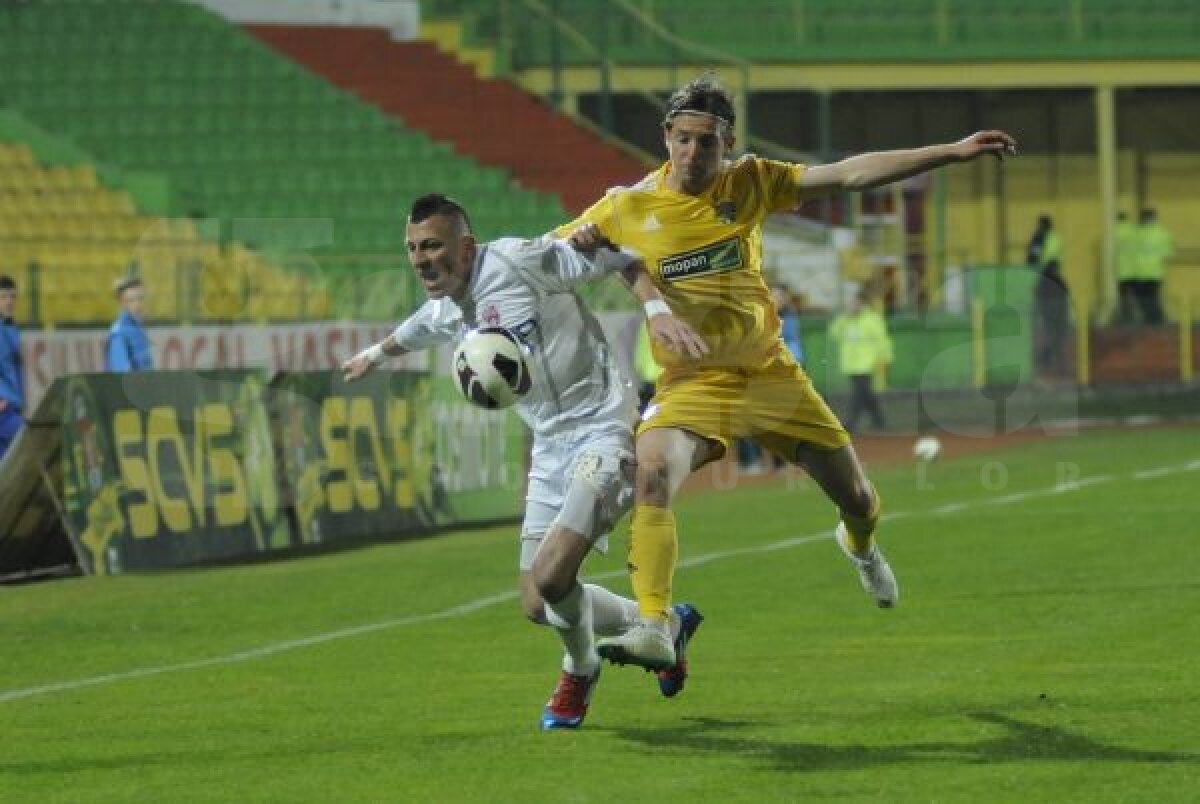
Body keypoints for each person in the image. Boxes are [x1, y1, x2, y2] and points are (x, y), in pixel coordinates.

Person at [564, 75, 1017, 671]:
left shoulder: (751, 182)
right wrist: (585, 243)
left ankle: (859, 546)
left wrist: (951, 151)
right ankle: (654, 621)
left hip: (771, 374)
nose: (693, 154)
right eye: (682, 140)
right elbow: (550, 254)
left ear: (729, 144)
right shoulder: (627, 206)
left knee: (856, 498)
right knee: (651, 473)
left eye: (707, 142)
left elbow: (850, 172)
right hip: (695, 383)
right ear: (666, 138)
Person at [341, 194, 709, 730]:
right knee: (538, 602)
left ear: (466, 247)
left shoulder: (520, 260)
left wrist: (652, 306)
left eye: (433, 246)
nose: (421, 259)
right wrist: (373, 355)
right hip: (549, 447)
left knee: (553, 573)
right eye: (413, 248)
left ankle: (579, 667)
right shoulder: (452, 305)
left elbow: (622, 254)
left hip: (605, 427)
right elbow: (420, 326)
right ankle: (663, 624)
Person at [830, 292, 892, 432]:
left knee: (858, 394)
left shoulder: (872, 319)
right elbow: (834, 333)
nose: (853, 306)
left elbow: (882, 341)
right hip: (851, 364)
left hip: (868, 363)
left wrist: (885, 359)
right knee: (866, 393)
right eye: (851, 303)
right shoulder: (846, 320)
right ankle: (879, 420)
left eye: (856, 303)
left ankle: (851, 422)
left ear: (863, 304)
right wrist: (844, 317)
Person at [1026, 214, 1070, 377]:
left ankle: (1048, 359)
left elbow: (1031, 259)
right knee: (1059, 327)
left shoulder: (1040, 238)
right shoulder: (1056, 239)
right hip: (1057, 284)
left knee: (1047, 325)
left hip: (1045, 284)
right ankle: (1059, 362)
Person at [1133, 208, 1173, 325]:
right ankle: (1157, 321)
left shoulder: (1136, 234)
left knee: (1142, 300)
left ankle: (1148, 321)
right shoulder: (1164, 233)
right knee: (1154, 298)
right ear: (1155, 218)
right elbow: (1168, 253)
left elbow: (1132, 252)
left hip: (1139, 272)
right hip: (1156, 271)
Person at [106, 276, 153, 372]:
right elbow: (121, 373)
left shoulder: (137, 329)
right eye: (131, 300)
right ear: (123, 304)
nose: (137, 305)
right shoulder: (119, 333)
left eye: (141, 299)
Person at [0, 275, 24, 461]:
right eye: (3, 297)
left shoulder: (11, 328)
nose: (9, 302)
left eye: (12, 296)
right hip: (4, 409)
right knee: (32, 446)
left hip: (12, 407)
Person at [1115, 212, 1140, 325]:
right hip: (1136, 270)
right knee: (1137, 297)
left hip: (1122, 271)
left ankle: (1126, 318)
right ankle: (1137, 317)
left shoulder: (1114, 232)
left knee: (1124, 298)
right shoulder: (1134, 231)